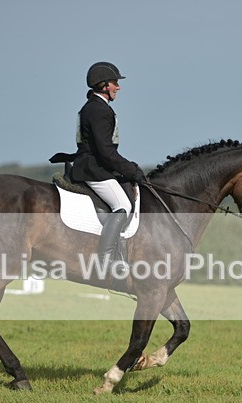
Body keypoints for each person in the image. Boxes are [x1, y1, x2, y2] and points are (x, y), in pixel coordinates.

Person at [72, 61, 145, 274]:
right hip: (93, 169)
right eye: (114, 83)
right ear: (104, 85)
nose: (118, 87)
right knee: (123, 206)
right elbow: (105, 152)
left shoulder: (93, 107)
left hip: (91, 164)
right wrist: (131, 170)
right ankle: (105, 260)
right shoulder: (99, 110)